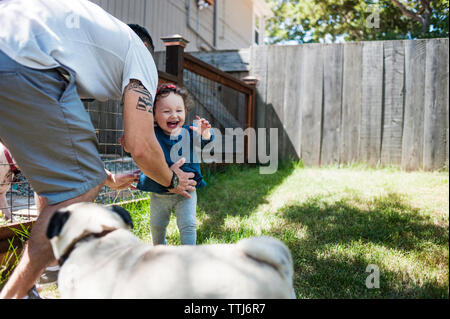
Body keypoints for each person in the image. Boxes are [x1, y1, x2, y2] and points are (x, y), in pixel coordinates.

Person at [0, 0, 196, 299]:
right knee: (75, 191)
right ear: (148, 50)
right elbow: (139, 145)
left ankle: (50, 267)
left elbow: (59, 155)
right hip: (22, 59)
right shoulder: (139, 55)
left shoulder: (85, 44)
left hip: (13, 46)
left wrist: (107, 178)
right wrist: (172, 180)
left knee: (60, 183)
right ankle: (18, 293)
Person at [120, 84, 214, 246]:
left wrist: (205, 134)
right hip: (159, 192)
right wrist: (128, 146)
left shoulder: (189, 132)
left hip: (186, 191)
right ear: (154, 115)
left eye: (179, 111)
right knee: (157, 226)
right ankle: (159, 250)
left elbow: (205, 144)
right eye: (166, 111)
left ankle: (189, 253)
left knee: (188, 225)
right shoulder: (151, 135)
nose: (174, 115)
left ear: (185, 112)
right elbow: (140, 151)